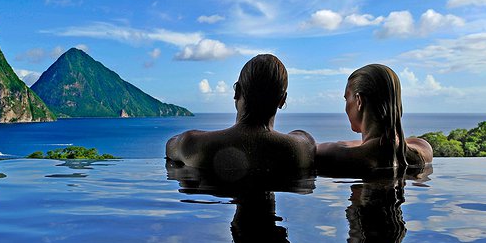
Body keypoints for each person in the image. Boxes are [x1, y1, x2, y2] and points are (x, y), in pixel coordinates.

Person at [166, 54, 315, 173]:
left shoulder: (192, 143)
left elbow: (171, 145)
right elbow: (302, 137)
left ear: (237, 92)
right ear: (282, 100)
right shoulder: (302, 148)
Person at [316, 64, 432, 171]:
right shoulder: (423, 152)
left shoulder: (340, 154)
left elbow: (307, 146)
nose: (345, 108)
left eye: (347, 99)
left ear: (359, 101)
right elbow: (399, 142)